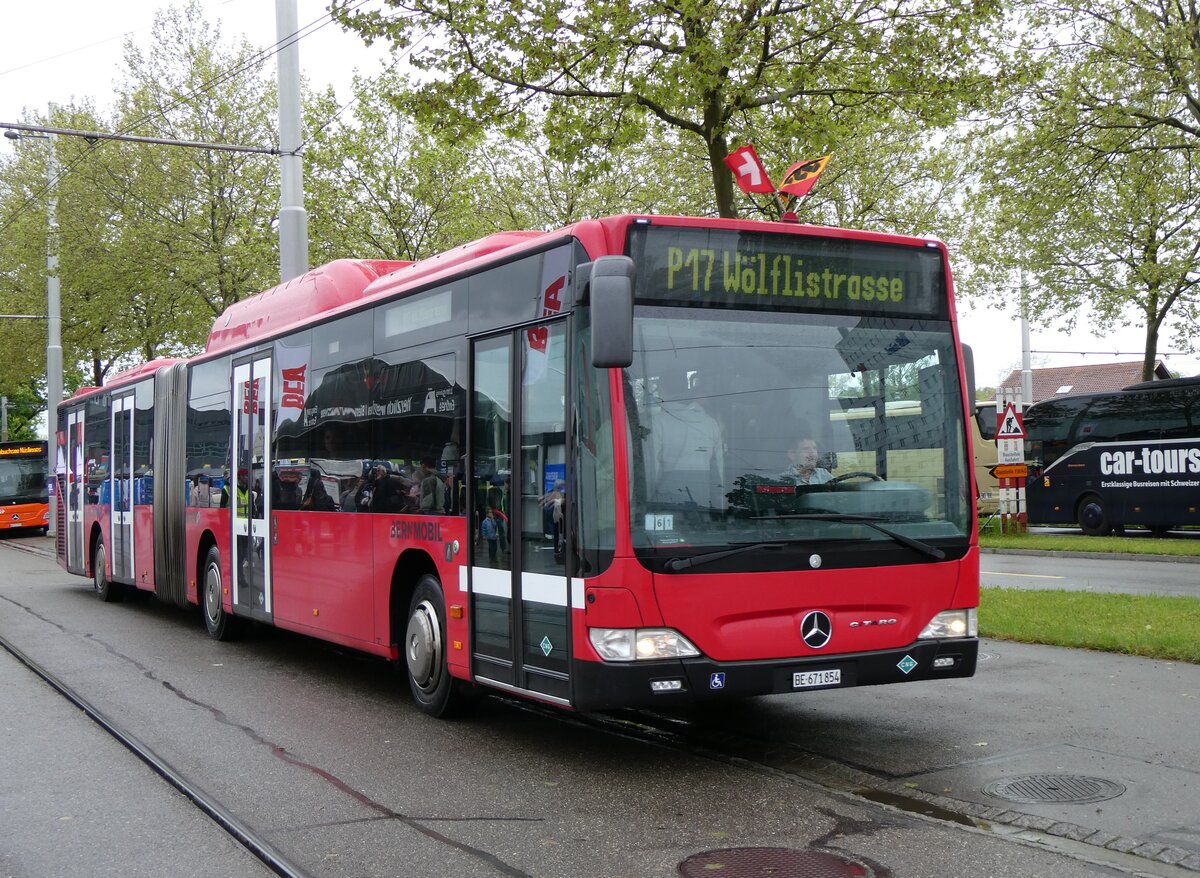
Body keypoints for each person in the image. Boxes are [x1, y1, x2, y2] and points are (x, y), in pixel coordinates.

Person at [647, 368, 725, 509]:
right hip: (703, 504)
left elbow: (652, 469)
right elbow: (718, 471)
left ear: (663, 390)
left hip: (667, 503)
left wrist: (647, 501)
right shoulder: (710, 423)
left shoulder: (657, 423)